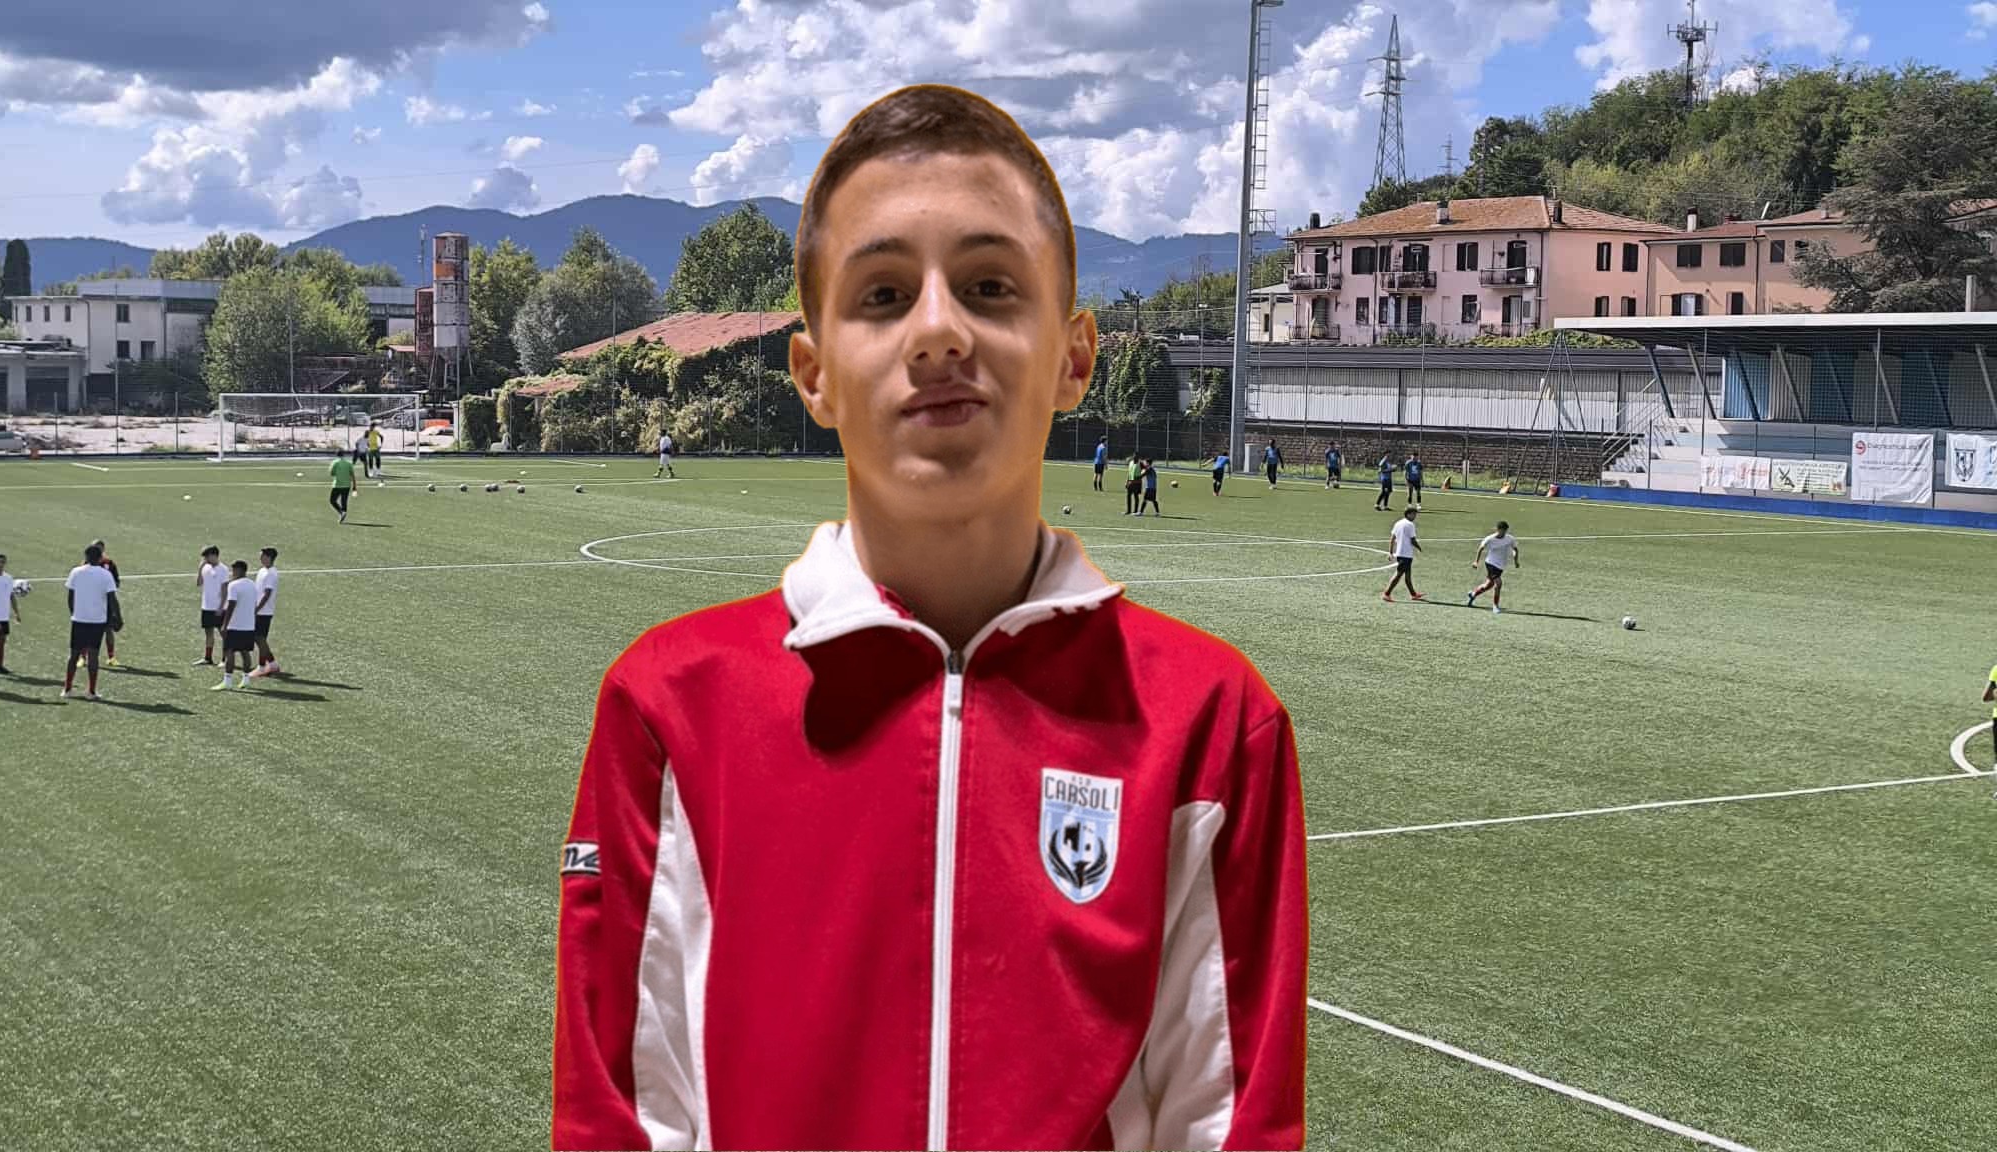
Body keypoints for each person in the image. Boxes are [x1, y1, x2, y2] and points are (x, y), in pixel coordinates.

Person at [554, 84, 1306, 1152]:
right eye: (883, 294)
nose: (940, 330)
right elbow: (621, 1118)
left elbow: (1230, 1127)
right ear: (814, 374)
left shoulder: (1211, 723)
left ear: (1074, 356)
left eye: (990, 286)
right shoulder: (671, 707)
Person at [64, 543, 119, 700]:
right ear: (100, 558)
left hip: (79, 620)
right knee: (93, 655)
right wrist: (118, 617)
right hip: (97, 621)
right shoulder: (106, 575)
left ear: (86, 556)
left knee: (74, 654)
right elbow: (112, 599)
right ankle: (91, 691)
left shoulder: (76, 572)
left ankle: (67, 689)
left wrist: (74, 613)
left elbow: (70, 597)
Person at [212, 560, 259, 692]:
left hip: (235, 625)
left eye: (233, 570)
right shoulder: (253, 585)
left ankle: (227, 681)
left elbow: (231, 605)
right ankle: (246, 679)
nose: (232, 573)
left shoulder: (233, 585)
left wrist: (225, 624)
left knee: (229, 652)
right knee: (245, 652)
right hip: (249, 625)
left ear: (239, 570)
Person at [1468, 521, 1520, 614]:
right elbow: (1481, 548)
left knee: (1489, 585)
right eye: (1502, 530)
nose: (1504, 533)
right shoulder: (1490, 539)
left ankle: (1473, 594)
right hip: (1491, 563)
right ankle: (1495, 606)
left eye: (1505, 531)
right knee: (1498, 584)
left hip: (1501, 565)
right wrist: (1476, 562)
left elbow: (1515, 549)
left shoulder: (1510, 538)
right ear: (1498, 530)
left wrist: (1516, 561)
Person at [193, 546, 230, 667]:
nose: (205, 559)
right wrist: (200, 569)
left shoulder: (223, 569)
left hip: (219, 607)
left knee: (223, 634)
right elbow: (199, 583)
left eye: (207, 556)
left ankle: (225, 659)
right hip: (206, 606)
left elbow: (225, 590)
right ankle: (207, 658)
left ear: (214, 555)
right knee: (208, 633)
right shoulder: (205, 568)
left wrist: (221, 606)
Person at [1382, 504, 1426, 602]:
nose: (1415, 516)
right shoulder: (1410, 525)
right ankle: (1386, 594)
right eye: (1414, 514)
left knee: (1407, 575)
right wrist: (1419, 547)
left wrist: (1390, 552)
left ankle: (1413, 594)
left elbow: (1392, 538)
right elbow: (1412, 540)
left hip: (1400, 553)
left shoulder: (1398, 523)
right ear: (1408, 514)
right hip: (1406, 554)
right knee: (1398, 574)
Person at [90, 538, 121, 667]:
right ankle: (83, 657)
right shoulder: (87, 563)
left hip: (106, 602)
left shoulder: (109, 563)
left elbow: (116, 582)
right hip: (91, 601)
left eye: (99, 548)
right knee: (88, 630)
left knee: (108, 629)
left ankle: (111, 657)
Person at [252, 547, 282, 678]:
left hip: (264, 612)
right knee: (258, 638)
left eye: (262, 556)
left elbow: (267, 594)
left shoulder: (271, 574)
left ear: (269, 557)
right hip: (258, 610)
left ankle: (262, 667)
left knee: (260, 639)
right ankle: (272, 664)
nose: (260, 558)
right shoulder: (262, 570)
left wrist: (257, 609)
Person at [328, 447, 357, 524]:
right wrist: (354, 486)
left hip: (337, 484)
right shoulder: (348, 463)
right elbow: (352, 475)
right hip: (347, 485)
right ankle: (343, 513)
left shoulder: (335, 462)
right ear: (344, 454)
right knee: (344, 501)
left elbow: (331, 473)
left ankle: (341, 512)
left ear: (336, 455)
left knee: (332, 500)